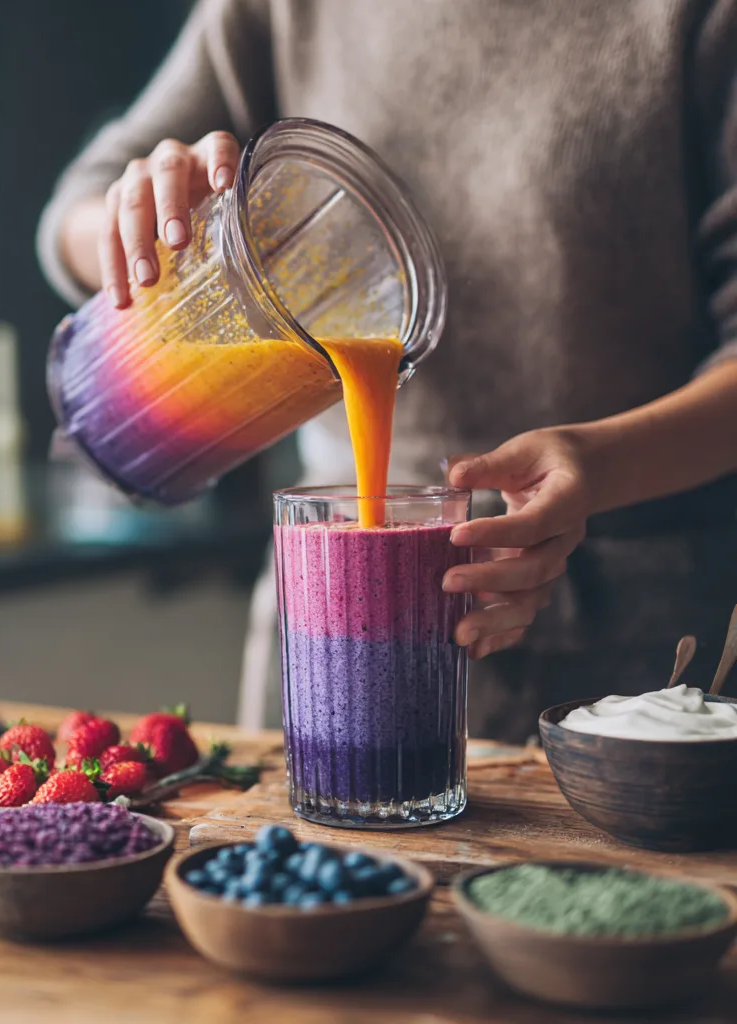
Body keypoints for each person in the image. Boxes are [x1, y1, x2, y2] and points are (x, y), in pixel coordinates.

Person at [37, 0, 737, 741]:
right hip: (333, 622)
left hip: (639, 657)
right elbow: (82, 204)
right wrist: (139, 218)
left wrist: (598, 465)